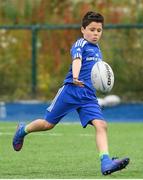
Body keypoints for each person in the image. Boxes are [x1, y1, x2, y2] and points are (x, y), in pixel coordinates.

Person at [12, 11, 129, 175]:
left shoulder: (98, 50)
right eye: (92, 29)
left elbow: (97, 75)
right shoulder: (80, 44)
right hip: (71, 91)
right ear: (83, 29)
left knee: (102, 125)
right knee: (48, 124)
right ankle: (22, 130)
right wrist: (75, 76)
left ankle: (106, 162)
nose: (95, 33)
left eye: (99, 30)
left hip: (88, 96)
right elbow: (77, 60)